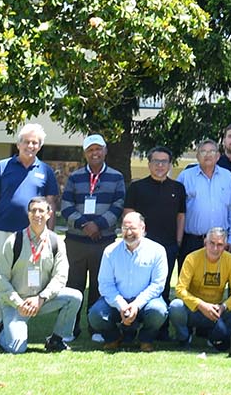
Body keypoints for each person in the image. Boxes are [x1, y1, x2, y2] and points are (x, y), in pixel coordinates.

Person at [0, 122, 60, 343]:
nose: (30, 146)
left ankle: (13, 324)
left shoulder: (45, 171)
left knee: (25, 282)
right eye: (26, 141)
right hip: (2, 232)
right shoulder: (2, 167)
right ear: (18, 143)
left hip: (32, 238)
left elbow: (51, 205)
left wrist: (49, 237)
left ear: (40, 146)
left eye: (35, 143)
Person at [0, 196, 82, 353]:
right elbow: (0, 277)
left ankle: (57, 340)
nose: (37, 214)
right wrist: (18, 303)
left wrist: (41, 298)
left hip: (42, 300)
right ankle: (2, 335)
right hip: (17, 304)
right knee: (17, 349)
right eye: (33, 211)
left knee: (75, 297)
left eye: (41, 211)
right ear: (28, 214)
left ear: (49, 214)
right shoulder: (13, 241)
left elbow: (60, 277)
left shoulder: (56, 242)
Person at [60, 133, 125, 336]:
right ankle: (70, 328)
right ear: (85, 153)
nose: (95, 153)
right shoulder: (75, 176)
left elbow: (118, 206)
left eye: (98, 149)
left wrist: (97, 225)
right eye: (90, 150)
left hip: (103, 241)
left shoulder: (117, 177)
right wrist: (84, 225)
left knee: (100, 285)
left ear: (105, 151)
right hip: (76, 241)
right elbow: (66, 206)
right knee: (73, 285)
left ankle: (96, 327)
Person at [89, 210, 170, 351]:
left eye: (132, 228)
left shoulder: (157, 251)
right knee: (95, 315)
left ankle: (146, 339)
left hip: (146, 302)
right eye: (125, 228)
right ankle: (114, 338)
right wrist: (121, 304)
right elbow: (105, 284)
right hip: (117, 300)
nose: (128, 232)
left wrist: (136, 304)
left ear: (143, 228)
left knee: (159, 311)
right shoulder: (110, 251)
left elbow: (157, 285)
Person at [169, 227, 231, 355]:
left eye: (220, 245)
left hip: (217, 311)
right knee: (175, 307)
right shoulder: (192, 258)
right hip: (195, 309)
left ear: (225, 246)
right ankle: (184, 338)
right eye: (212, 243)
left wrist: (223, 307)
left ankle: (216, 337)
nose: (215, 248)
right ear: (205, 242)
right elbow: (180, 289)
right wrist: (201, 305)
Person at [124, 146, 186, 301]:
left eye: (164, 162)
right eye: (156, 161)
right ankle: (135, 319)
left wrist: (178, 241)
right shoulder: (136, 188)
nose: (160, 165)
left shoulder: (178, 188)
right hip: (141, 246)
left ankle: (162, 322)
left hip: (169, 247)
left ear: (170, 164)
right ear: (149, 164)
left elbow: (181, 215)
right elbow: (128, 214)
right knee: (139, 286)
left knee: (163, 286)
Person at [176, 139, 231, 268]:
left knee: (216, 283)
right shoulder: (185, 176)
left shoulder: (227, 177)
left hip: (219, 242)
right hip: (192, 240)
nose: (208, 155)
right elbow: (176, 209)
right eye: (203, 151)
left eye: (212, 151)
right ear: (197, 156)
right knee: (188, 284)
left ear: (218, 156)